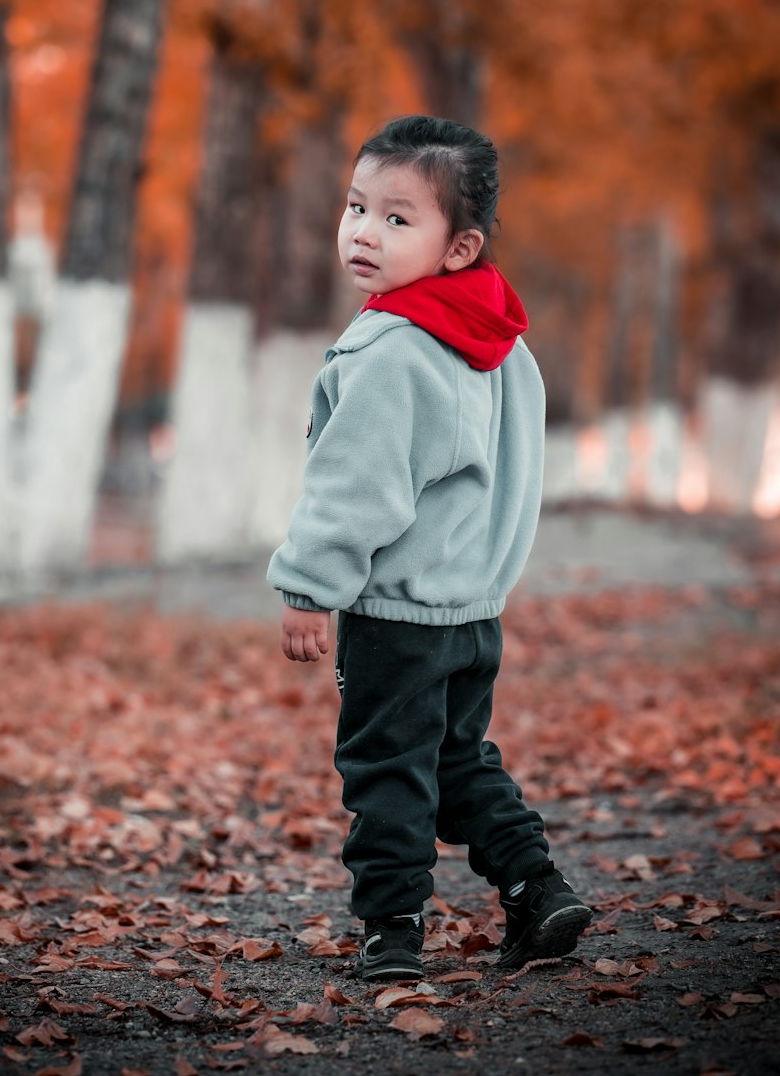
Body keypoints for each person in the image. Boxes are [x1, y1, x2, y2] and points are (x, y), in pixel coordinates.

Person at [267, 114, 592, 981]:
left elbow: (357, 485)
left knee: (387, 767)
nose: (365, 232)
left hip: (396, 613)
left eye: (399, 218)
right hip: (473, 611)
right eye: (357, 206)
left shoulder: (393, 350)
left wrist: (309, 586)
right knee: (453, 758)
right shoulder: (503, 346)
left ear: (460, 246)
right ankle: (537, 883)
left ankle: (392, 933)